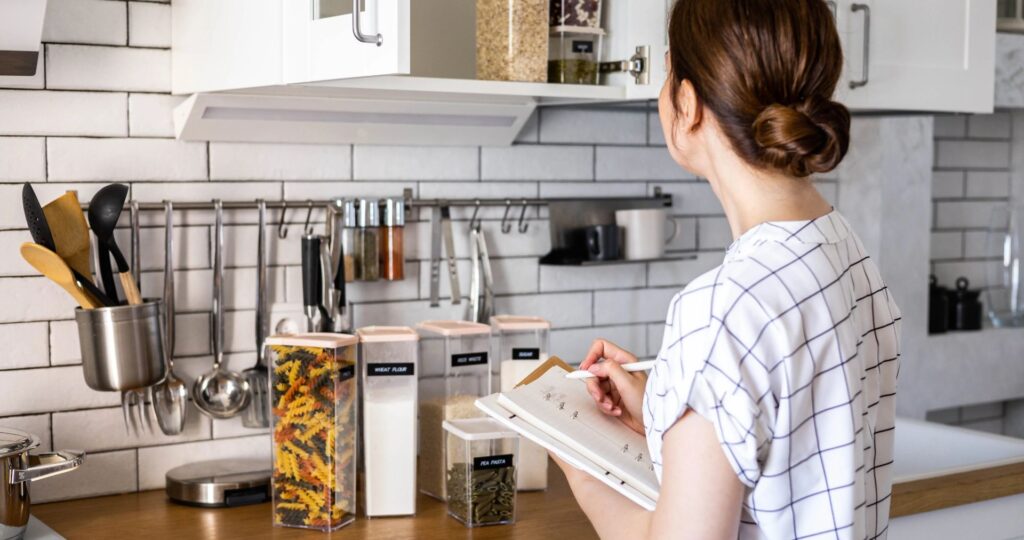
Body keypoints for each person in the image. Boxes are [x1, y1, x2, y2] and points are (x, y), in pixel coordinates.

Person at [554, 1, 902, 538]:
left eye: (668, 72)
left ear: (688, 103)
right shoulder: (846, 253)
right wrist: (666, 411)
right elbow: (782, 451)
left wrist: (579, 461)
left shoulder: (722, 308)